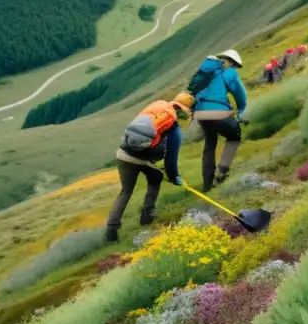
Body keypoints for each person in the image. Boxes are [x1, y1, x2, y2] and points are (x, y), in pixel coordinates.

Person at [105, 92, 194, 242]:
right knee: (156, 178)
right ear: (181, 111)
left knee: (126, 191)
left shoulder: (156, 105)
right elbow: (170, 159)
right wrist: (174, 177)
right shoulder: (173, 126)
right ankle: (147, 216)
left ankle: (111, 229)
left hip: (123, 153)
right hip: (143, 158)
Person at [192, 50, 248, 191]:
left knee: (210, 144)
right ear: (229, 62)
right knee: (234, 136)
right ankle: (222, 172)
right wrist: (241, 111)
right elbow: (240, 95)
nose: (234, 68)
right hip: (218, 112)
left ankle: (207, 185)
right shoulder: (229, 72)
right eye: (234, 65)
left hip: (200, 114)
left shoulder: (206, 72)